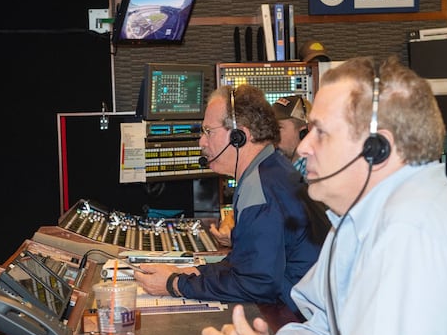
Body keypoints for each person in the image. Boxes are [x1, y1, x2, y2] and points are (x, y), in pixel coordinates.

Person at [194, 56, 447, 335]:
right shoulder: (355, 223)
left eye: (321, 132)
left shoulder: (418, 239)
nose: (303, 147)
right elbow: (324, 332)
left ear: (376, 149)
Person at [134, 84, 328, 316]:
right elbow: (245, 264)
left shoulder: (260, 187)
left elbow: (257, 283)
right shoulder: (270, 169)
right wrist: (194, 273)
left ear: (239, 136)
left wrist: (174, 284)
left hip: (298, 320)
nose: (201, 142)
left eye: (208, 132)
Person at [209, 95, 314, 246]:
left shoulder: (313, 175)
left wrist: (239, 237)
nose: (272, 136)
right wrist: (231, 219)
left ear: (304, 133)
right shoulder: (276, 165)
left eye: (278, 129)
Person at [272, 95, 312, 176]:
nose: (272, 134)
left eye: (279, 127)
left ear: (303, 133)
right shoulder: (275, 168)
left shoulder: (315, 173)